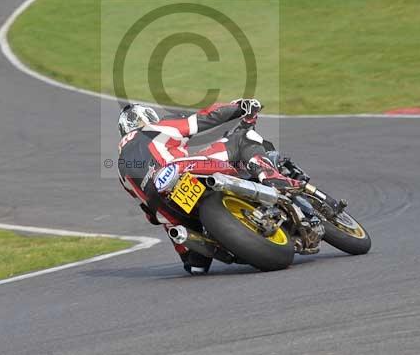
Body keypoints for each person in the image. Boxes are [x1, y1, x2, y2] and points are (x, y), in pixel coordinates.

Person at [116, 99, 303, 274]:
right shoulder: (155, 128)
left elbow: (147, 209)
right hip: (180, 170)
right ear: (147, 117)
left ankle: (194, 254)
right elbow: (204, 119)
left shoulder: (120, 168)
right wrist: (240, 106)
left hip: (167, 210)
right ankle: (270, 177)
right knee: (242, 137)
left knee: (194, 264)